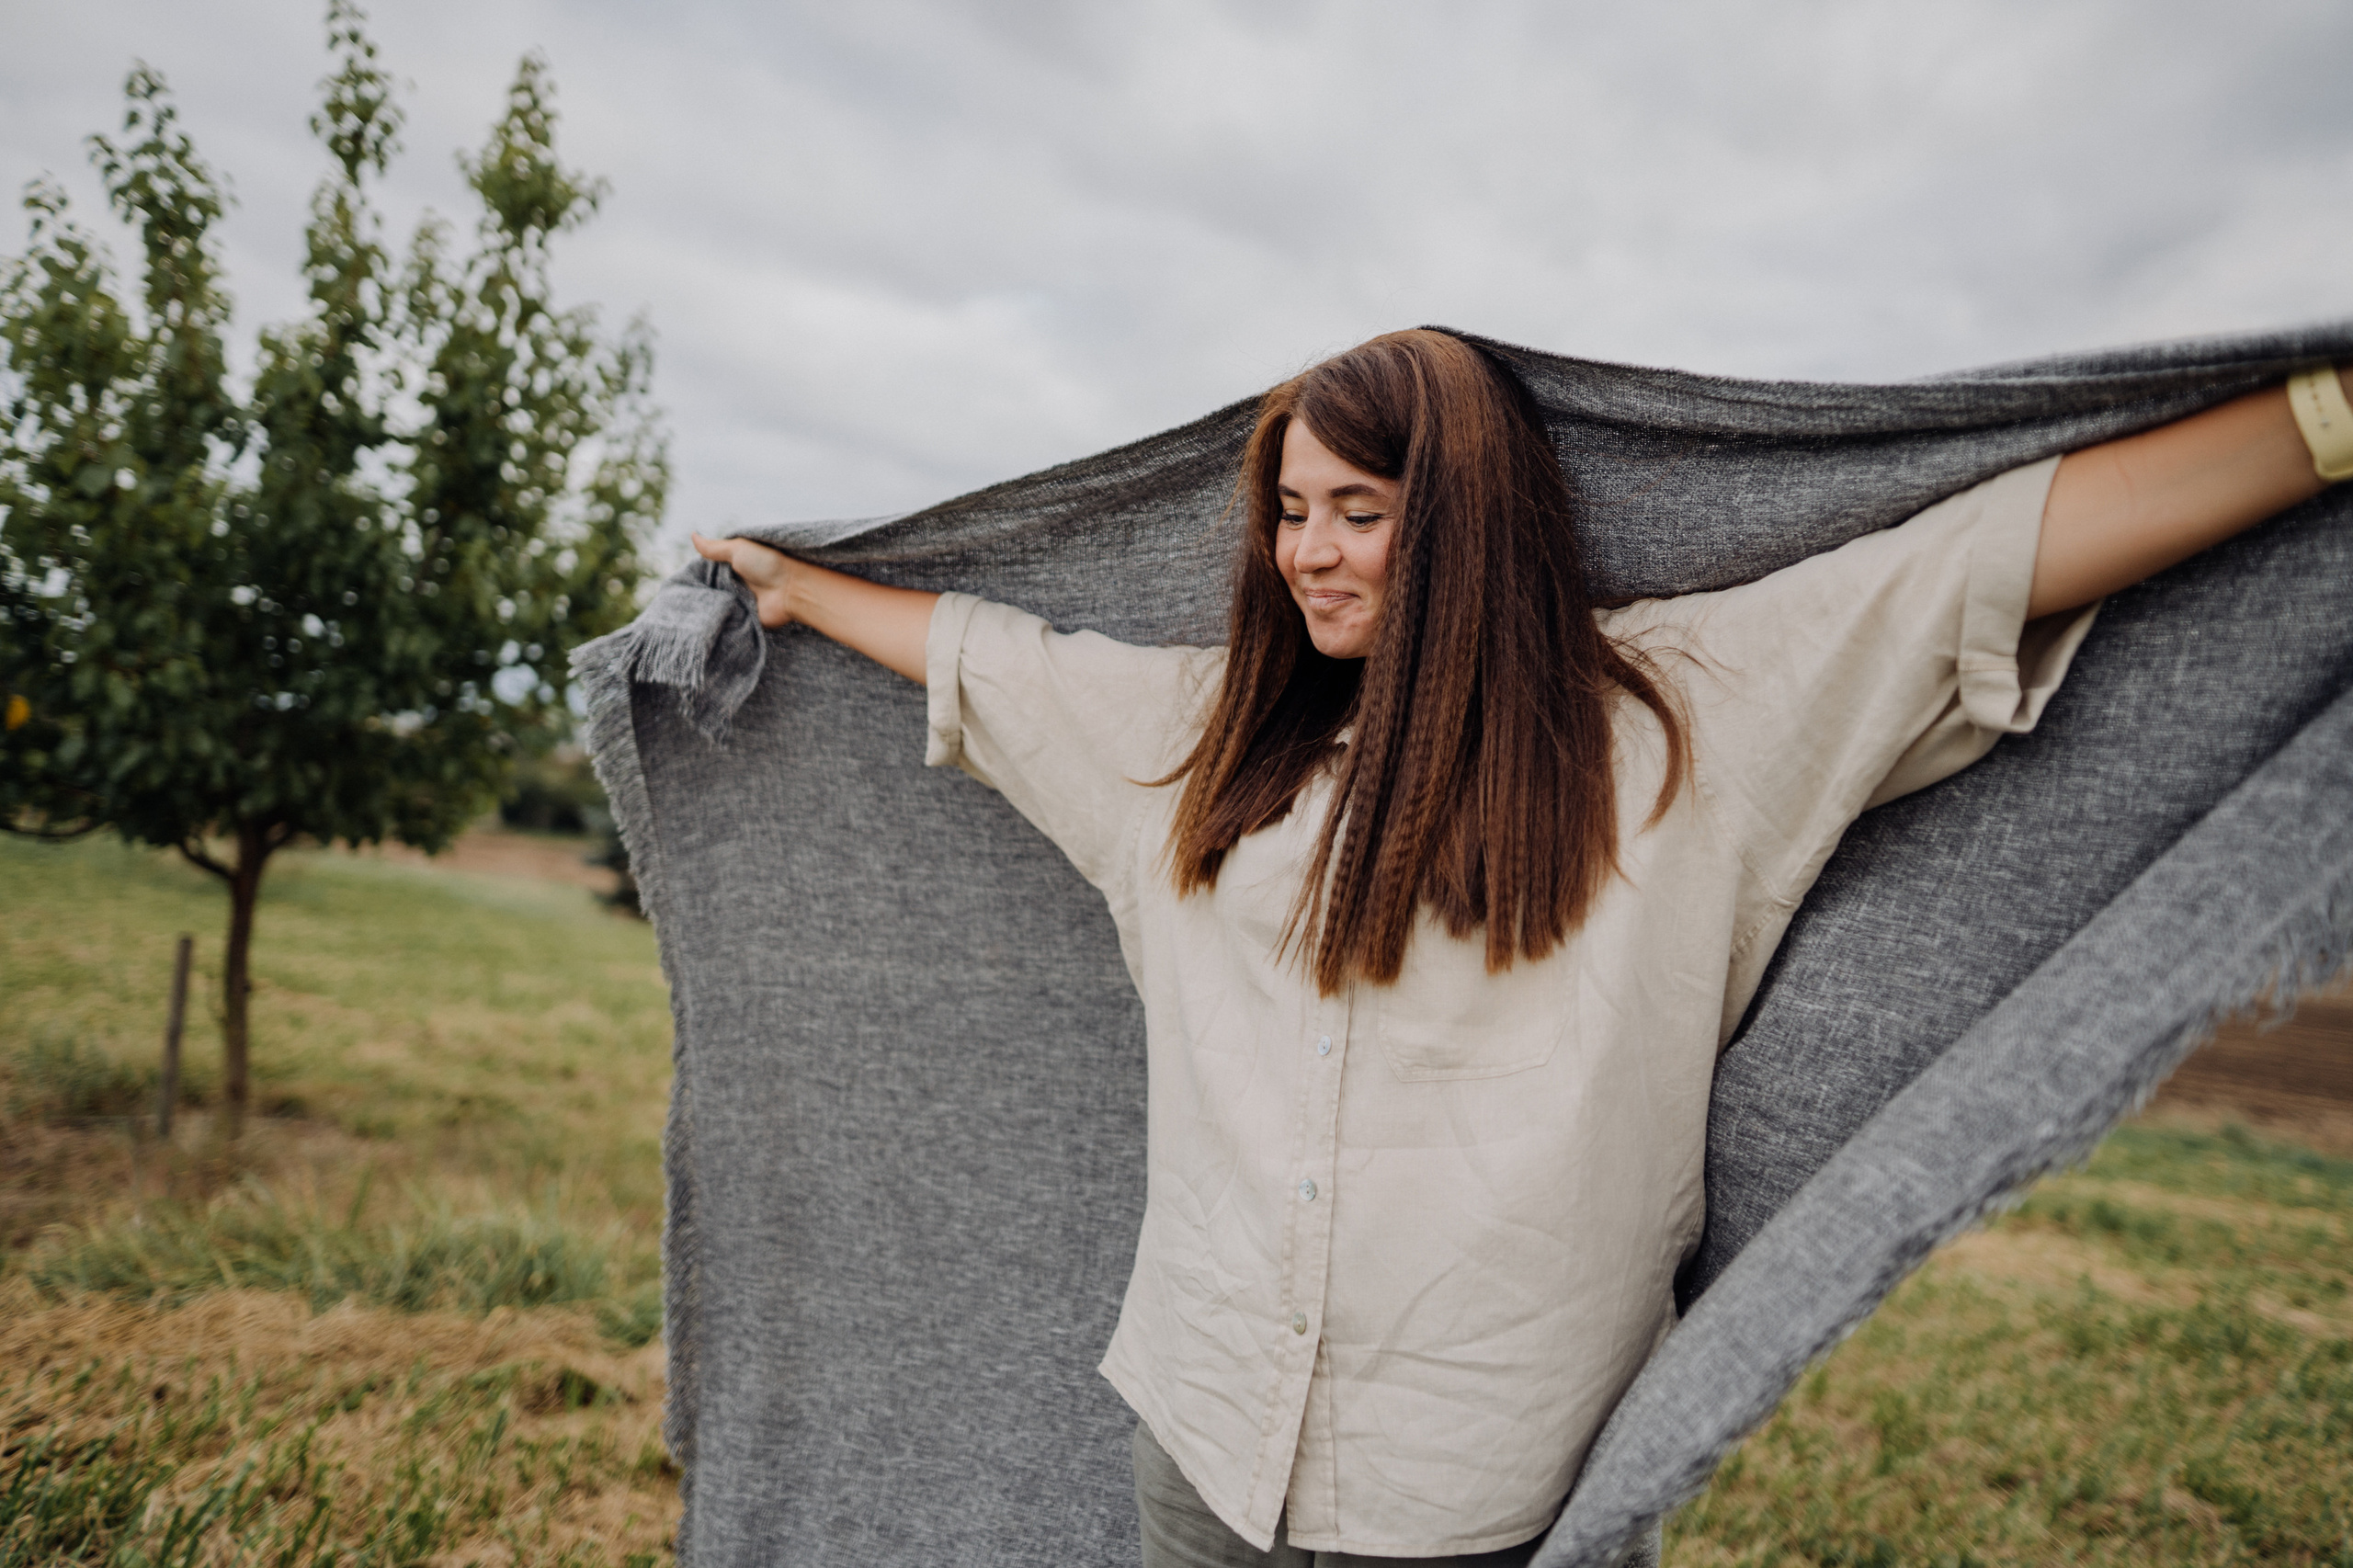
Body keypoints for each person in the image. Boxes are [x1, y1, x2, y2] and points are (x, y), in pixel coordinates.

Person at [691, 332, 2352, 1568]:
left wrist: (2323, 422)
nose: (1308, 552)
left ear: (1467, 516)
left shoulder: (1681, 724)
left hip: (1479, 1487)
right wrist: (800, 592)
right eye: (1289, 510)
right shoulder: (1202, 734)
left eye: (1359, 507)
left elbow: (1976, 564)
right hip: (1199, 1445)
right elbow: (996, 661)